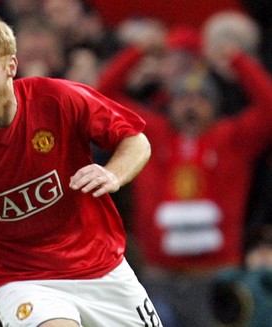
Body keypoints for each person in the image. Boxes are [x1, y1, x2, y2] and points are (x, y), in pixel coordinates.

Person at [0, 10, 161, 327]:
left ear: (11, 66)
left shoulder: (58, 99)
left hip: (101, 267)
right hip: (21, 280)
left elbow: (136, 141)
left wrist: (112, 174)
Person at [96, 28, 272, 327]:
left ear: (214, 106)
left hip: (216, 277)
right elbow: (103, 97)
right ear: (170, 103)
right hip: (159, 279)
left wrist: (237, 60)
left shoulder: (232, 140)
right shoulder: (149, 136)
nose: (191, 104)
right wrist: (137, 53)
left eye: (201, 97)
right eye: (183, 97)